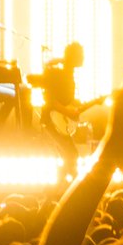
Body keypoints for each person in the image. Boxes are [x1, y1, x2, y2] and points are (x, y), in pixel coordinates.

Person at [37, 43, 85, 182]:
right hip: (51, 121)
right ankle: (60, 192)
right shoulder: (59, 73)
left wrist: (75, 103)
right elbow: (51, 100)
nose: (83, 57)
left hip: (56, 120)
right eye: (81, 54)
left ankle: (58, 191)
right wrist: (68, 112)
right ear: (74, 56)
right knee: (71, 155)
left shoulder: (68, 74)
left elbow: (63, 99)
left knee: (69, 156)